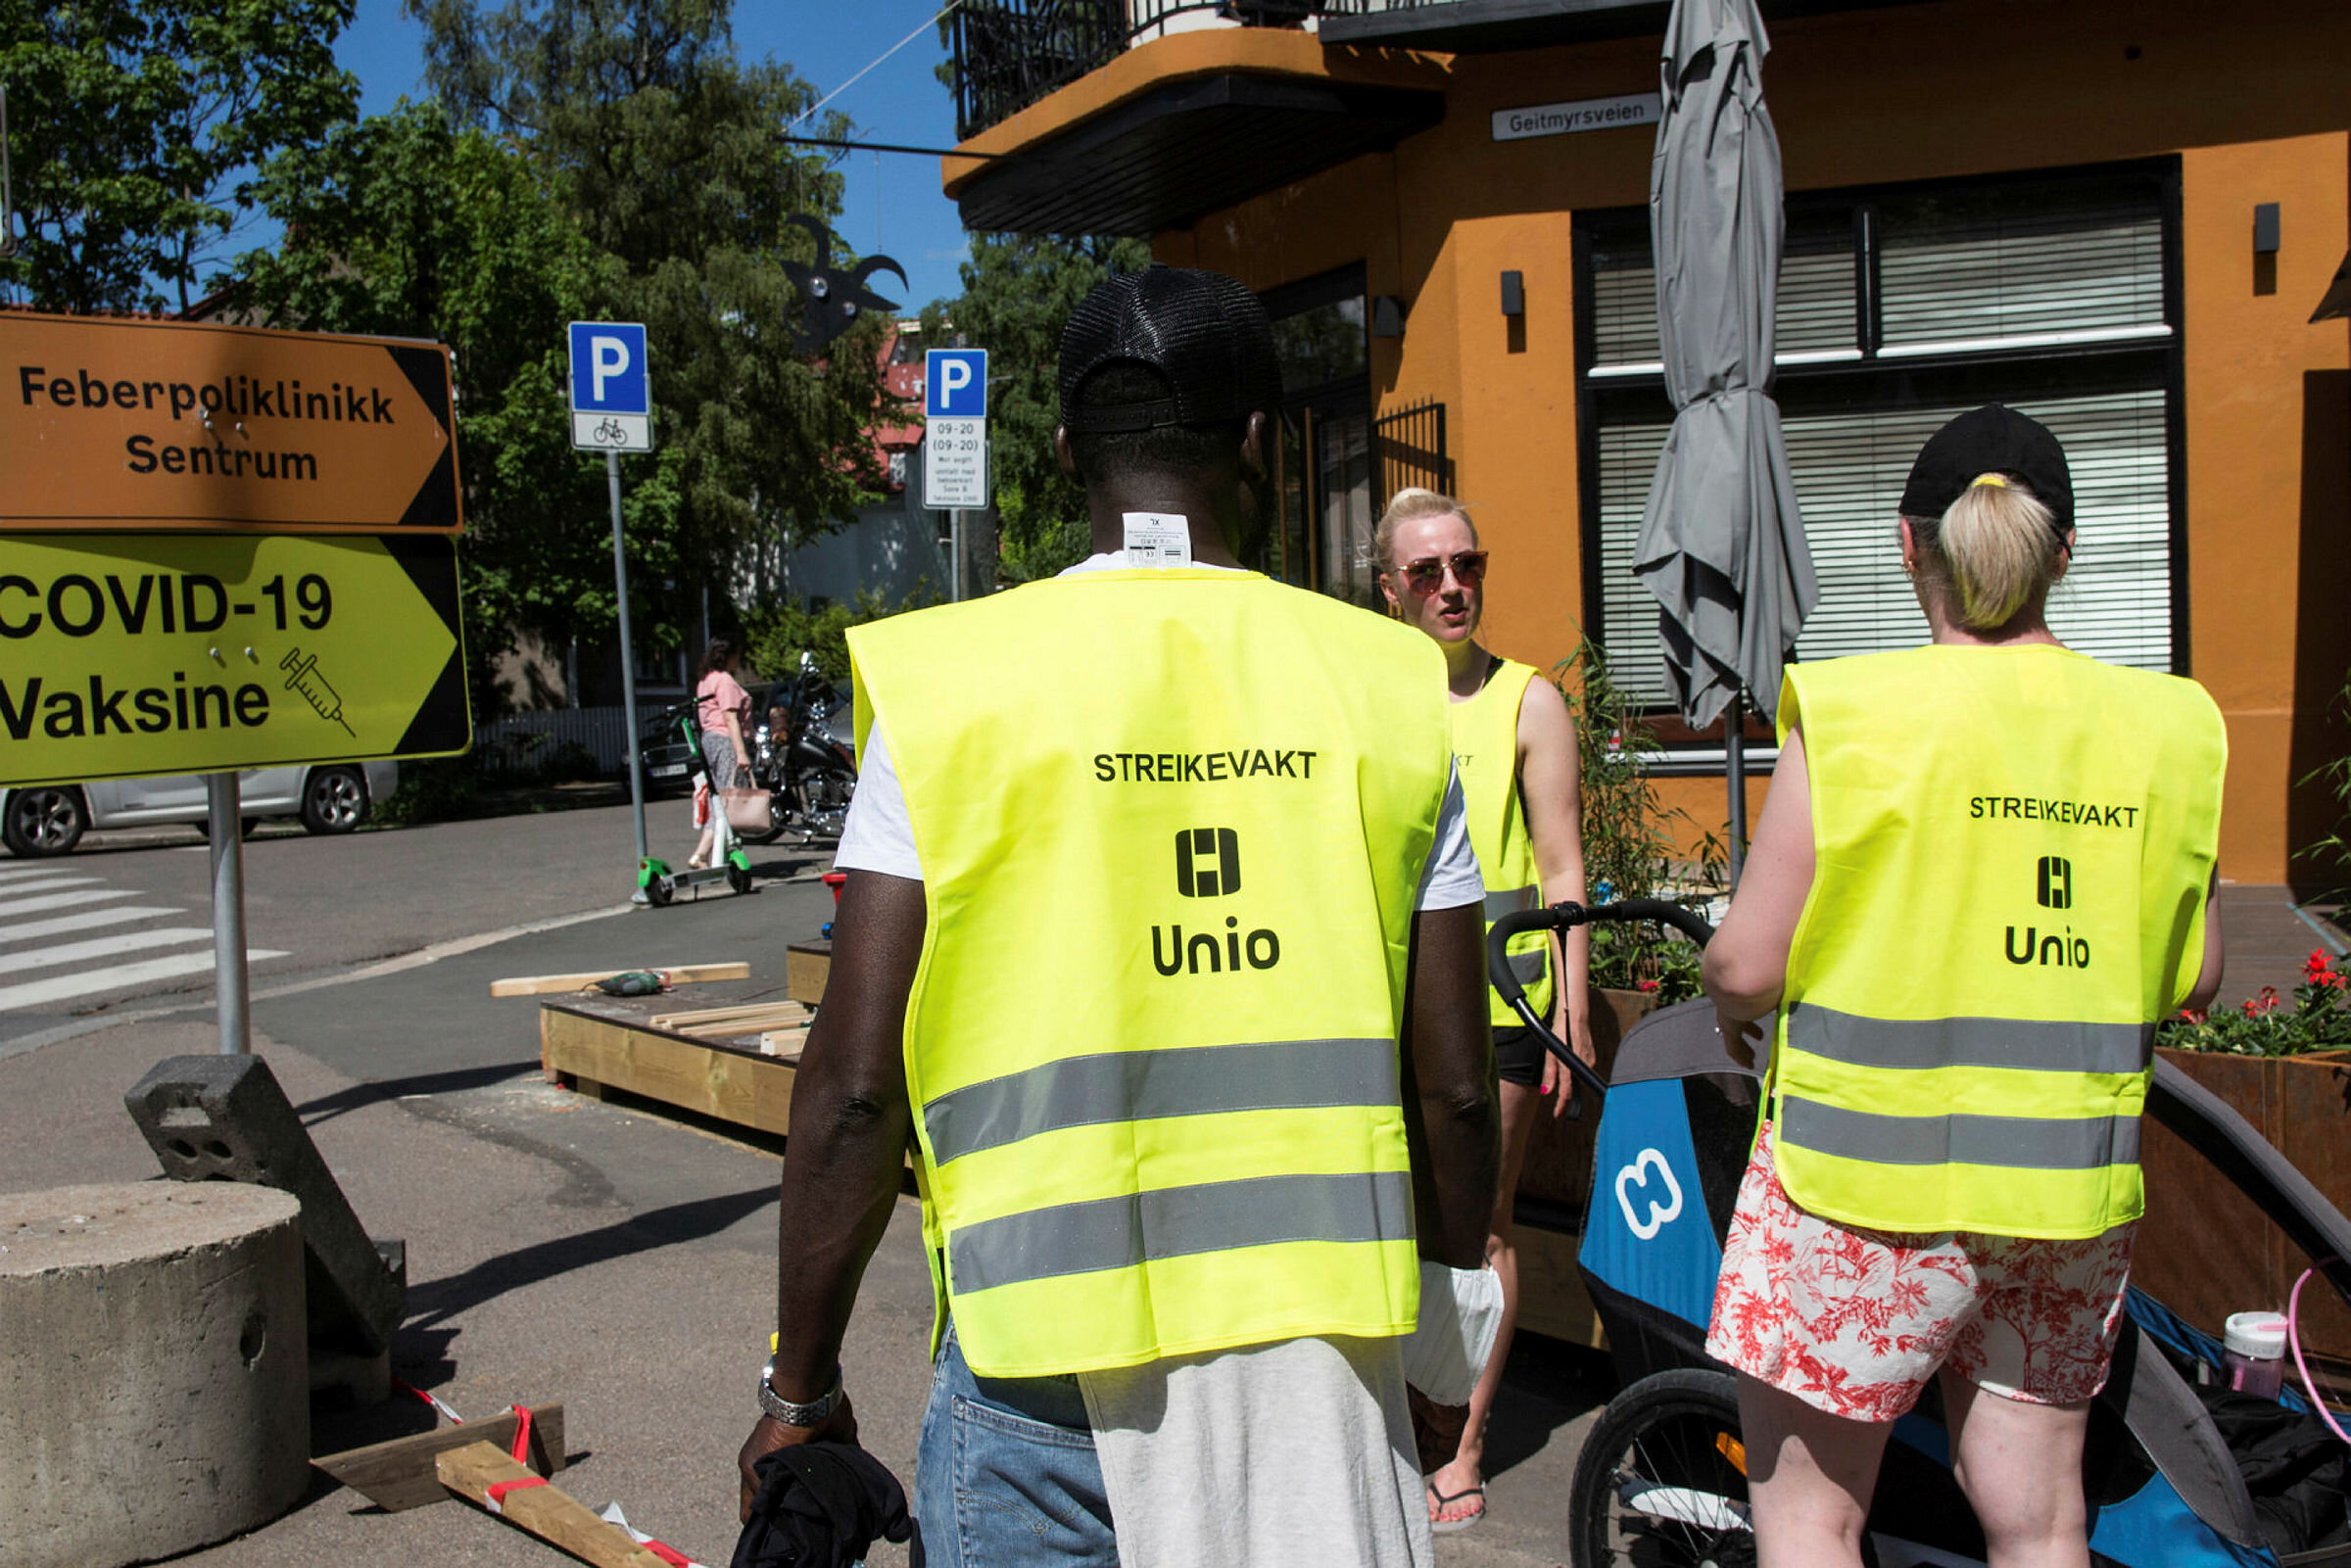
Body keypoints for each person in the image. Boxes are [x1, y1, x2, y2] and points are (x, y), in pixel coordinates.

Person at [734, 265, 1505, 1568]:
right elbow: (1460, 1093)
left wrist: (797, 1393)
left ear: (1061, 449)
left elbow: (856, 1091)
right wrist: (1443, 1351)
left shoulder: (947, 688)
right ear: (1260, 443)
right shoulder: (1392, 688)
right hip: (1312, 1367)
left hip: (1039, 1384)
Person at [1698, 404, 2228, 1568]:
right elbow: (2194, 971)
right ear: (2065, 552)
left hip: (1856, 1191)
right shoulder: (2170, 727)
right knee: (2039, 1520)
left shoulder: (1854, 714)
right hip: (2060, 1197)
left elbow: (1746, 960)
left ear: (1906, 543)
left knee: (1813, 1518)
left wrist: (1723, 992)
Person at [1372, 488, 1592, 1534]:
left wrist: (1574, 1007)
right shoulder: (1370, 700)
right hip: (1386, 1006)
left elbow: (1562, 869)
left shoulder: (1528, 701)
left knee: (1481, 1220)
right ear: (1389, 589)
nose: (1453, 587)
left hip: (1506, 1003)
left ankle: (1461, 1438)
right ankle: (1392, 1420)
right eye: (1428, 572)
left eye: (1469, 564)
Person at [689, 638, 752, 871]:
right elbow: (729, 718)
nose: (739, 660)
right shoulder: (724, 681)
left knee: (719, 798)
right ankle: (702, 854)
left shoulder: (705, 680)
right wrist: (741, 752)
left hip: (710, 741)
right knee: (726, 800)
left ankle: (718, 853)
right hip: (725, 741)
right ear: (728, 656)